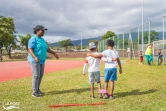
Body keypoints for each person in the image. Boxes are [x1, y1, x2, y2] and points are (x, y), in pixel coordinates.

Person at [28, 25, 59, 98]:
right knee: (36, 75)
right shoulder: (33, 39)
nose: (44, 32)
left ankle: (37, 89)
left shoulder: (42, 40)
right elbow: (30, 49)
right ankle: (34, 92)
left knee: (40, 75)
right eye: (42, 30)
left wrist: (54, 53)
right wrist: (35, 57)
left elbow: (47, 49)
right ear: (38, 31)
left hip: (42, 60)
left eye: (44, 30)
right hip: (34, 60)